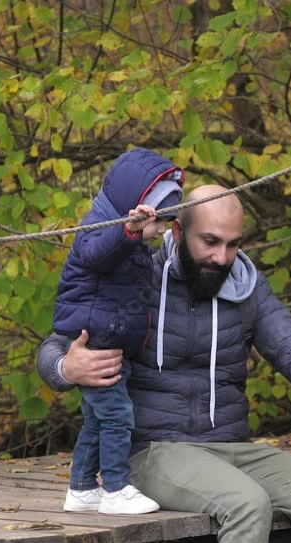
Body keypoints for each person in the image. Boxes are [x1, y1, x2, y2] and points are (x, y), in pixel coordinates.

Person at [38, 184, 291, 543]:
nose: (222, 257)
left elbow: (290, 346)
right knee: (248, 505)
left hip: (231, 448)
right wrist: (66, 367)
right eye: (210, 242)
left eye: (232, 245)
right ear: (177, 231)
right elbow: (53, 347)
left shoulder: (246, 286)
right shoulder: (134, 275)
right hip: (151, 450)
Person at [52, 148, 184, 515]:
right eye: (158, 222)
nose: (159, 232)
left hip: (111, 343)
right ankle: (114, 487)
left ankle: (80, 488)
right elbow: (95, 255)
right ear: (136, 209)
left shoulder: (132, 242)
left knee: (97, 419)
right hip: (95, 344)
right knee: (118, 417)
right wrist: (128, 231)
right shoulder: (99, 230)